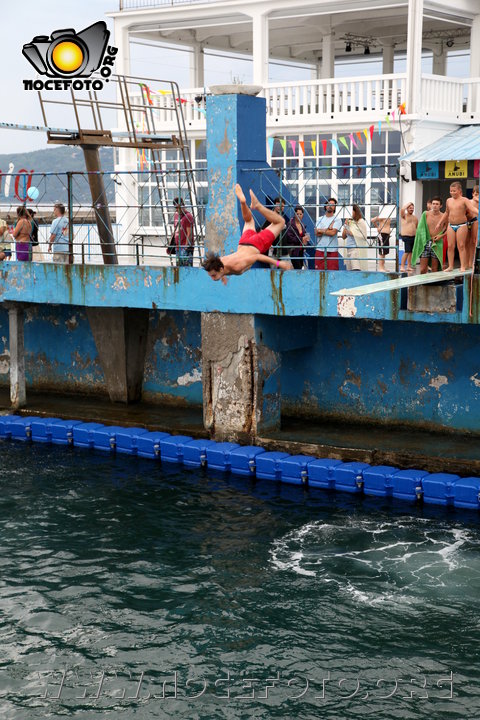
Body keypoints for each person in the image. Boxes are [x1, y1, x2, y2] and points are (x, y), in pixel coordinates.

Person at [202, 184, 292, 283]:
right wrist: (222, 276)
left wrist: (279, 263)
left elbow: (257, 257)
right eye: (211, 276)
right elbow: (218, 265)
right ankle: (243, 203)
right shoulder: (219, 262)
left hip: (256, 245)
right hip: (243, 242)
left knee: (281, 222)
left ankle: (257, 206)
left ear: (221, 270)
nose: (213, 278)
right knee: (248, 221)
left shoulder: (237, 267)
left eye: (214, 276)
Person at [435, 182, 478, 272]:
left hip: (461, 225)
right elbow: (447, 212)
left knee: (461, 245)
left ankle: (463, 266)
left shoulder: (464, 200)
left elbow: (472, 208)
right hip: (451, 225)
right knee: (450, 246)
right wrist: (439, 222)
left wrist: (478, 212)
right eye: (451, 191)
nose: (452, 192)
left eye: (454, 191)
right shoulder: (448, 200)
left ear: (459, 191)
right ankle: (450, 266)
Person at [411, 197, 445, 274]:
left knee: (435, 268)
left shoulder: (443, 216)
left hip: (437, 243)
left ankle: (434, 285)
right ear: (431, 205)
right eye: (433, 204)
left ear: (441, 206)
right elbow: (421, 229)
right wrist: (422, 240)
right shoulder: (426, 214)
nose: (435, 206)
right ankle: (422, 284)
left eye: (437, 204)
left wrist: (441, 236)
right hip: (426, 242)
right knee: (423, 269)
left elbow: (448, 229)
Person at [314, 198, 342, 270]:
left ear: (335, 207)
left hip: (332, 251)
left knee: (332, 273)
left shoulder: (337, 219)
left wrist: (321, 230)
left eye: (333, 205)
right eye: (329, 204)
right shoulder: (319, 219)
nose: (330, 206)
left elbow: (333, 233)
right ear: (325, 206)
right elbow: (317, 233)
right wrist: (328, 229)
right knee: (319, 272)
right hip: (320, 249)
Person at [341, 204, 368, 271]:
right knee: (349, 270)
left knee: (356, 269)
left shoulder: (360, 222)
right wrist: (346, 225)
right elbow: (343, 236)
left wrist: (352, 233)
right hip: (348, 249)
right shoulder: (350, 222)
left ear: (355, 211)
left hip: (356, 249)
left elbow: (364, 236)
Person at [284, 205, 309, 269]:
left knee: (300, 267)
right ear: (294, 214)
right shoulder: (290, 224)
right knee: (296, 268)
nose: (299, 216)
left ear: (303, 215)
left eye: (300, 214)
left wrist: (305, 239)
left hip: (301, 250)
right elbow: (289, 238)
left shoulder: (302, 225)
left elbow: (304, 236)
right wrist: (301, 239)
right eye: (297, 214)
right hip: (293, 250)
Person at [173, 197, 195, 268]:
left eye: (179, 207)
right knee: (178, 268)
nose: (177, 209)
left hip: (185, 247)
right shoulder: (176, 215)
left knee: (186, 268)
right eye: (176, 208)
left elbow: (189, 233)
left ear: (183, 205)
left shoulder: (188, 216)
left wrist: (186, 247)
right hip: (178, 246)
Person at [399, 202, 418, 273]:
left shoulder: (415, 217)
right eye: (410, 208)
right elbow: (402, 209)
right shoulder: (404, 216)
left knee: (411, 252)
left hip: (413, 236)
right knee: (407, 251)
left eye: (412, 208)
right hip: (406, 236)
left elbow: (417, 227)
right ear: (407, 209)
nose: (411, 209)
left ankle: (409, 266)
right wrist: (409, 203)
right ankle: (402, 266)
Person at [466, 185, 479, 270]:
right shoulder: (469, 201)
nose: (477, 197)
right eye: (476, 194)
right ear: (473, 194)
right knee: (466, 243)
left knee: (474, 242)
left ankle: (472, 262)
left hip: (475, 220)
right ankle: (467, 262)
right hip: (468, 221)